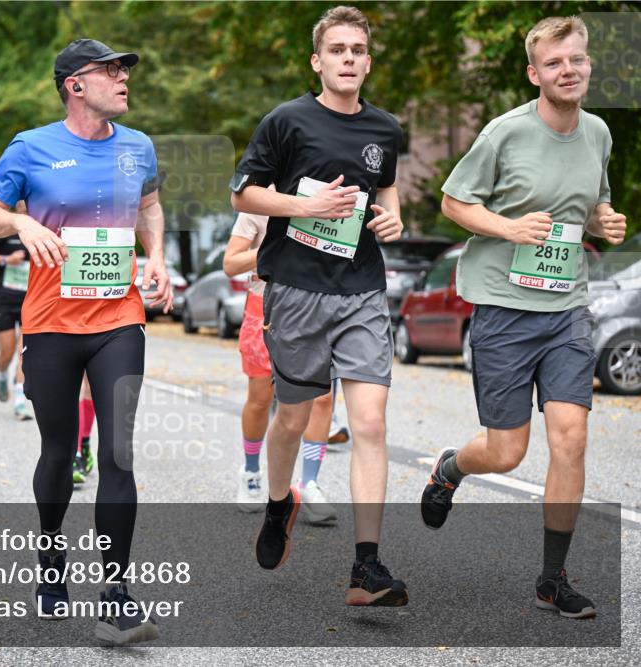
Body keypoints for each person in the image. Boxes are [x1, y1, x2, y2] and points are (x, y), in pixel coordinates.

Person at [423, 15, 626, 620]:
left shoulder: (598, 133)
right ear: (535, 73)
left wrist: (603, 221)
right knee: (508, 451)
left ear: (588, 67)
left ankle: (552, 578)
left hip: (566, 307)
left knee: (572, 436)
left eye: (577, 60)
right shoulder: (504, 133)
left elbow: (592, 204)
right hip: (506, 310)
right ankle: (451, 468)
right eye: (555, 63)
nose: (568, 71)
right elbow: (453, 201)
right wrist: (509, 227)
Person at [0, 38, 170, 645]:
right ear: (74, 84)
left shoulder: (139, 147)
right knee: (59, 452)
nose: (123, 78)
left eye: (124, 70)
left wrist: (156, 254)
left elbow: (151, 204)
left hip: (119, 318)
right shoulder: (31, 147)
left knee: (118, 453)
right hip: (52, 322)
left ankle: (116, 591)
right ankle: (51, 563)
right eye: (111, 70)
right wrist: (20, 220)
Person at [231, 6, 408, 606]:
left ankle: (367, 566)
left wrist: (394, 215)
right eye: (337, 50)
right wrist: (303, 209)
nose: (349, 59)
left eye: (358, 50)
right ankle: (280, 505)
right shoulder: (287, 121)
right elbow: (244, 191)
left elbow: (387, 188)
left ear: (368, 61)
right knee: (292, 416)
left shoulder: (385, 129)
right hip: (298, 289)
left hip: (361, 289)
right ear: (318, 60)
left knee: (370, 423)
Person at [224, 209, 337, 524]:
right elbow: (230, 263)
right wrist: (273, 248)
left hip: (317, 305)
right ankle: (250, 470)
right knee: (261, 399)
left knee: (323, 397)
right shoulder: (258, 206)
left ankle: (309, 482)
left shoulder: (323, 197)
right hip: (265, 308)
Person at [0, 207, 33, 421]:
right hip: (4, 298)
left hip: (30, 301)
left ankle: (19, 401)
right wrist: (5, 260)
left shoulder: (41, 229)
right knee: (7, 351)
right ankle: (2, 375)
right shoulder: (3, 230)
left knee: (24, 353)